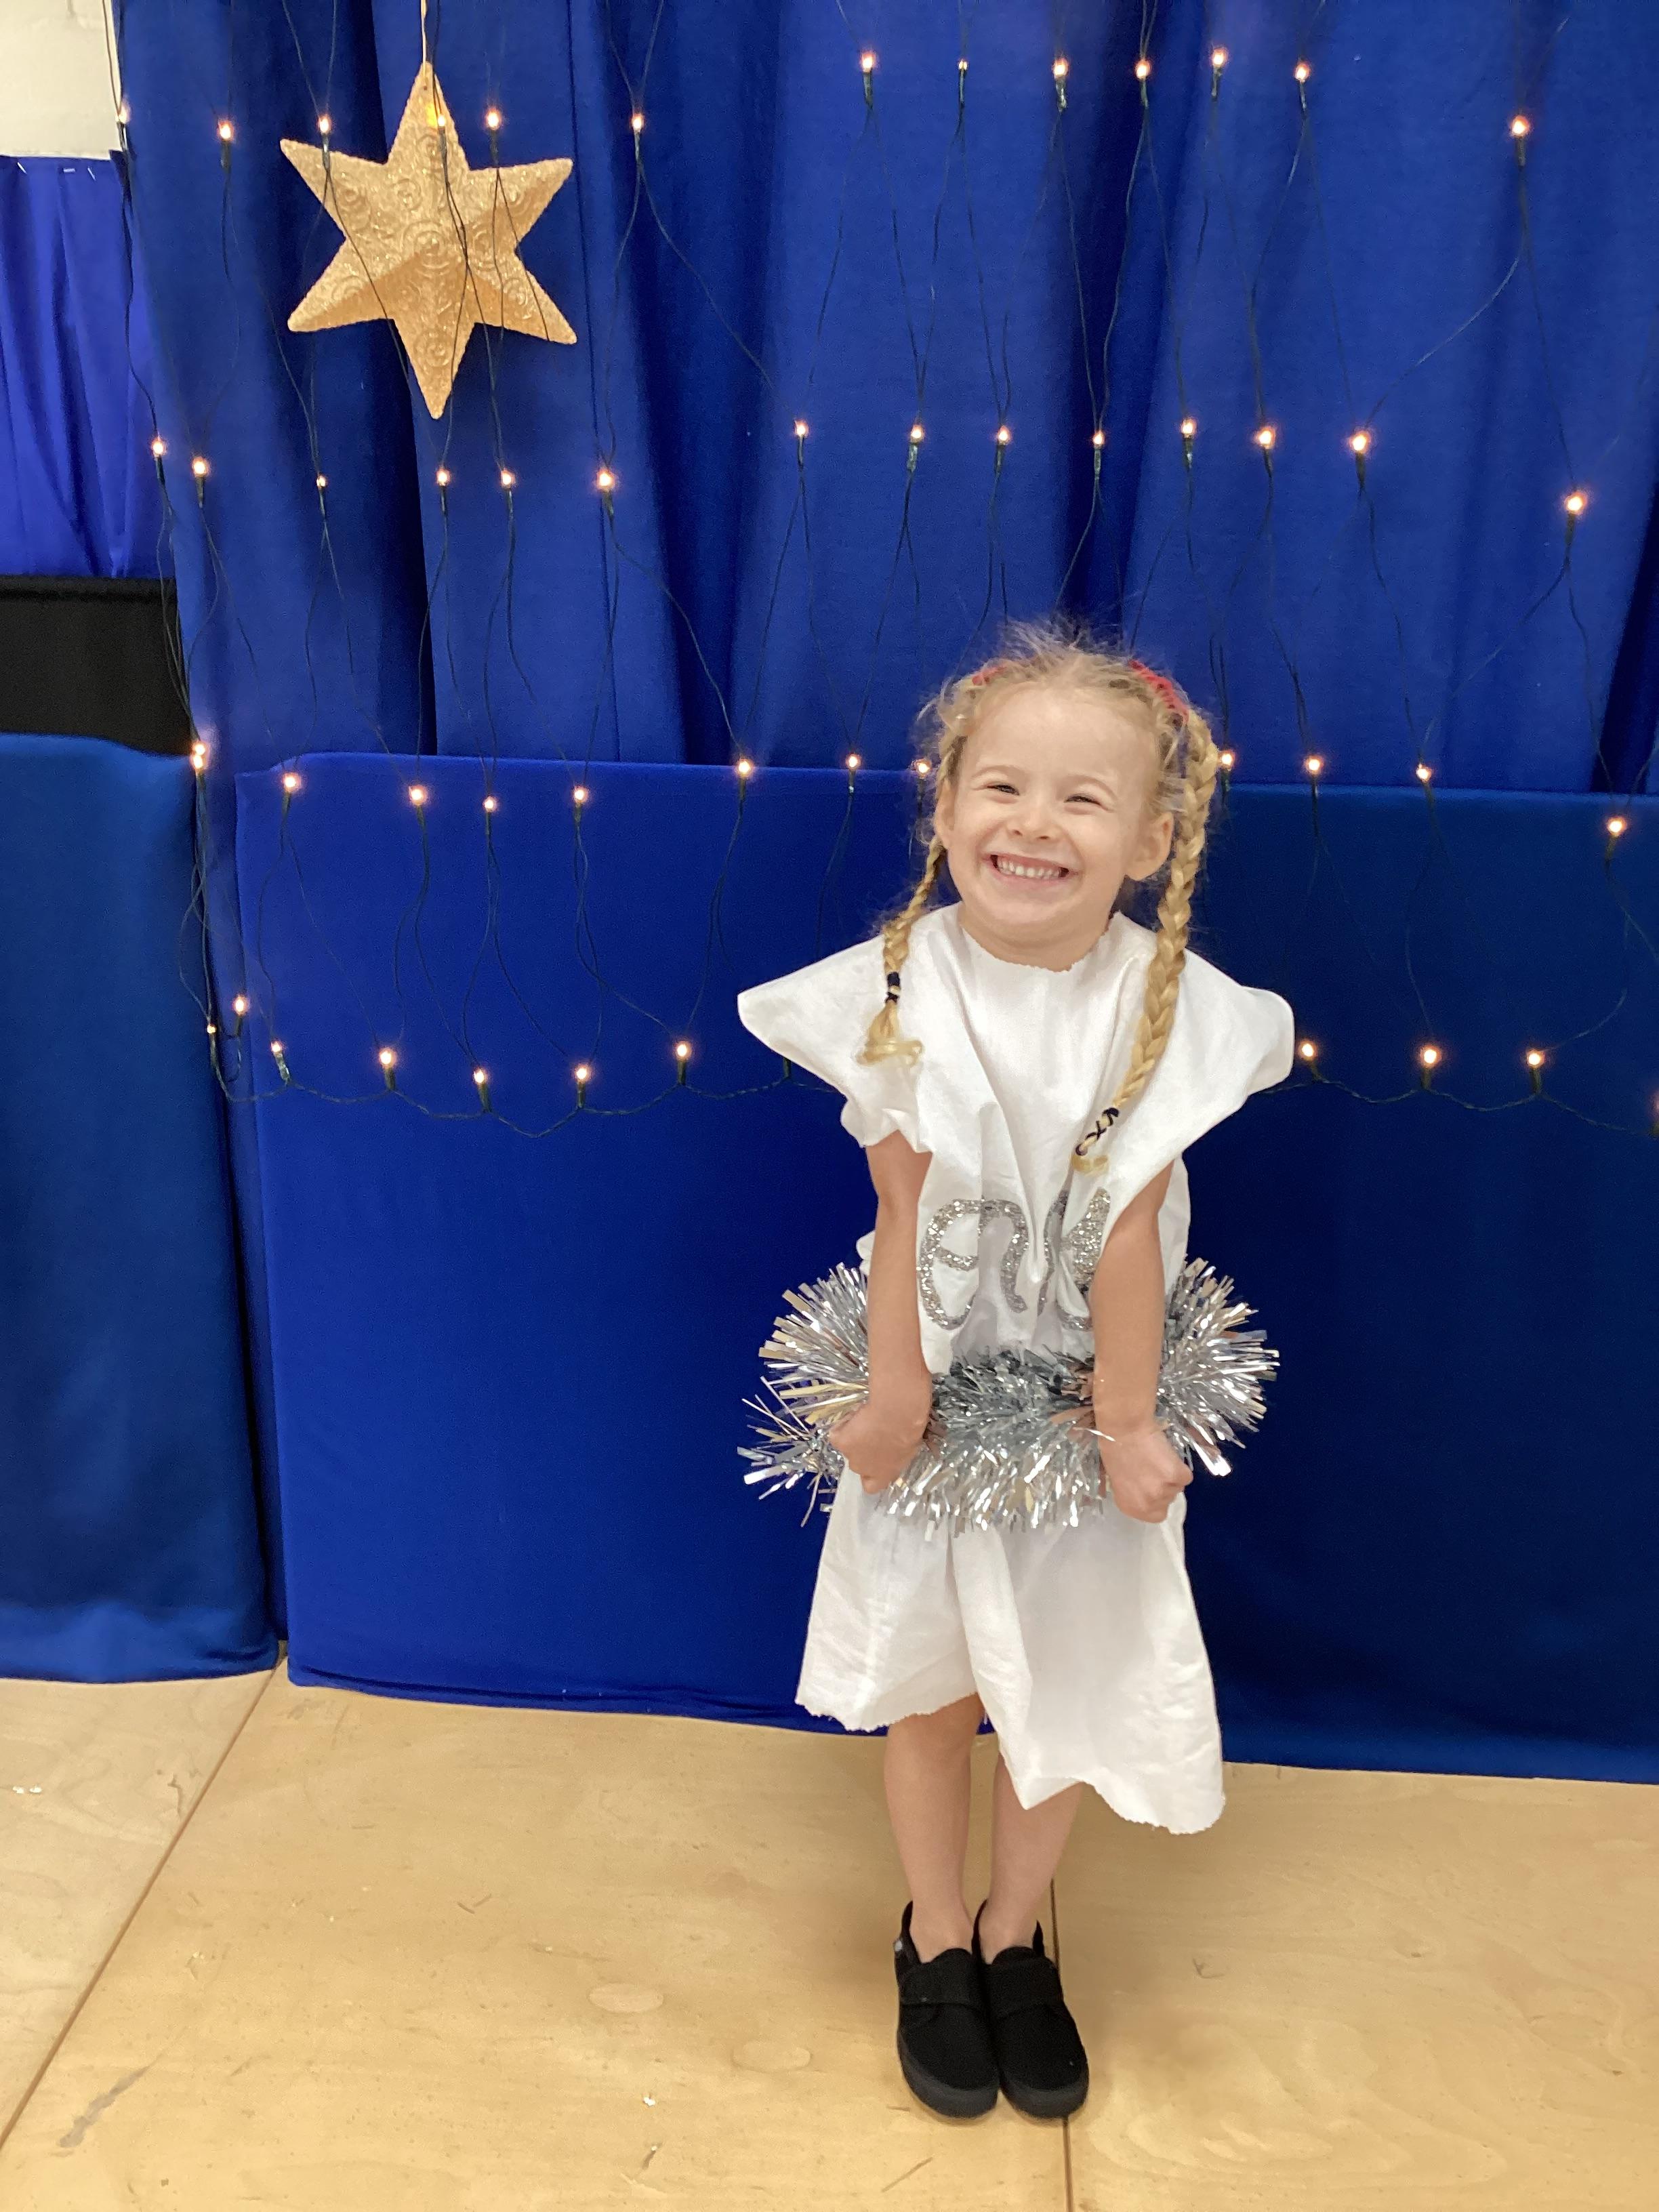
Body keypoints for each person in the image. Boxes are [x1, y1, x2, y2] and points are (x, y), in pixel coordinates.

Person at [735, 619, 1294, 2122]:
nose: (1033, 825)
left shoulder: (1160, 1008)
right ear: (946, 804)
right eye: (1002, 787)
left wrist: (1124, 1422)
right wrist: (894, 1398)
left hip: (1080, 1400)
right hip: (935, 1377)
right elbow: (904, 1207)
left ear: (1151, 842)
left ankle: (1015, 1929)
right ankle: (932, 1929)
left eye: (1082, 800)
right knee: (933, 1695)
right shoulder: (898, 988)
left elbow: (1127, 1230)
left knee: (1061, 1685)